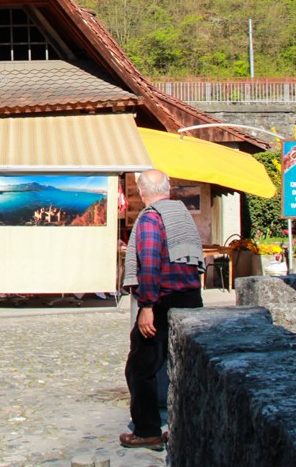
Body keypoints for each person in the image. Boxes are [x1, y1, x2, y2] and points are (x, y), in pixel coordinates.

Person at [119, 169, 204, 450]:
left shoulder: (151, 217)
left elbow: (151, 261)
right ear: (168, 188)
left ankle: (147, 430)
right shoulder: (181, 215)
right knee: (184, 367)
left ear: (141, 191)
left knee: (140, 368)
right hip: (191, 297)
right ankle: (188, 426)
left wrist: (146, 306)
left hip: (162, 300)